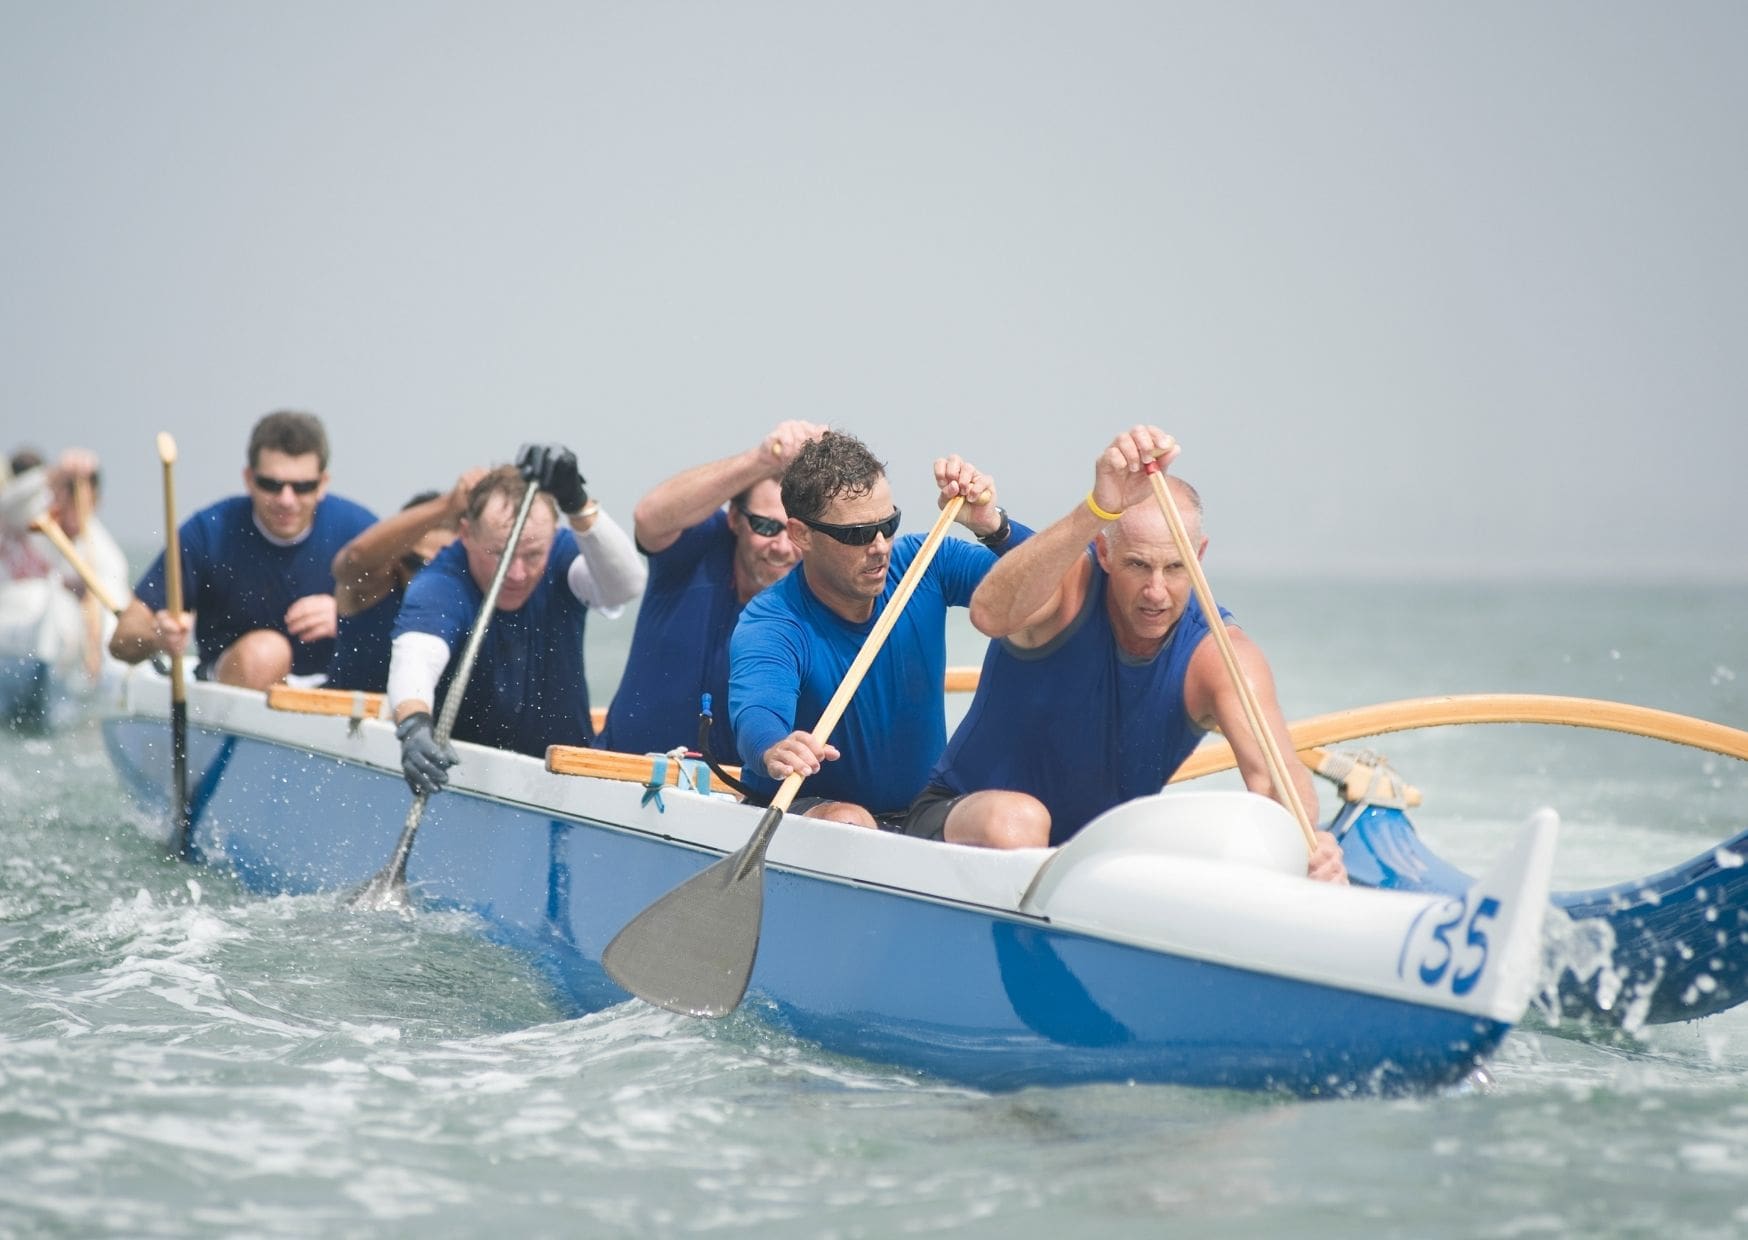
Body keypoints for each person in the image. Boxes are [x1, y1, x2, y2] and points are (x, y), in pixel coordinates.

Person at [917, 426, 1345, 881]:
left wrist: (1309, 844)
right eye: (1138, 565)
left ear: (1199, 555)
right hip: (963, 823)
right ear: (1104, 552)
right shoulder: (1070, 592)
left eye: (1176, 567)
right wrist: (1096, 508)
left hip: (1085, 863)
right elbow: (989, 613)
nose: (1156, 592)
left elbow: (1275, 778)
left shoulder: (1219, 655)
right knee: (1019, 822)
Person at [728, 430, 1030, 840]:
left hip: (918, 808)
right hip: (809, 812)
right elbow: (756, 713)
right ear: (801, 534)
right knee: (850, 825)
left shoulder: (927, 563)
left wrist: (993, 527)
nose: (880, 546)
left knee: (1012, 821)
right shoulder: (773, 622)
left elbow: (1053, 591)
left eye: (888, 524)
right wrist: (774, 748)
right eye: (856, 534)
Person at [390, 446, 646, 795]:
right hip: (465, 783)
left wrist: (578, 503)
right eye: (499, 552)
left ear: (553, 534)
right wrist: (414, 726)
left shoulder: (562, 554)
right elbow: (416, 656)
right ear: (466, 533)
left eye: (533, 553)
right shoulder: (442, 582)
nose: (517, 572)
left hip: (565, 783)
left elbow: (627, 585)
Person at [597, 420, 825, 757]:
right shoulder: (698, 543)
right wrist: (762, 459)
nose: (781, 547)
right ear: (735, 518)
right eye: (765, 526)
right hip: (619, 770)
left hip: (731, 795)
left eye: (794, 532)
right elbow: (648, 518)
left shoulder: (818, 589)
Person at [110, 411, 376, 689]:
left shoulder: (361, 535)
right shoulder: (209, 531)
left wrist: (347, 619)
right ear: (249, 478)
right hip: (234, 685)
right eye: (271, 485)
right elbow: (122, 640)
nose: (286, 500)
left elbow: (408, 627)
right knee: (267, 653)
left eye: (302, 487)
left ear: (323, 484)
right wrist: (157, 636)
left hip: (332, 692)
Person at [327, 468, 485, 692]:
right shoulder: (372, 590)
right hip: (349, 721)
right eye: (417, 564)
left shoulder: (474, 602)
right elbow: (353, 561)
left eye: (441, 568)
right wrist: (448, 505)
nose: (428, 580)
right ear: (396, 559)